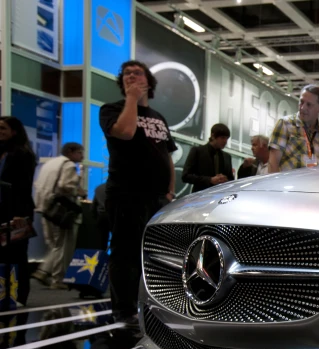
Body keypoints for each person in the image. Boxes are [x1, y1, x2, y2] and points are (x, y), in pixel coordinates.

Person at [99, 60, 177, 325]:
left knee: (154, 252)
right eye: (126, 74)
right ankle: (124, 309)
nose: (130, 76)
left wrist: (170, 190)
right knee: (125, 252)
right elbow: (126, 131)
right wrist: (131, 99)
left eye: (137, 73)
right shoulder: (112, 110)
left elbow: (166, 154)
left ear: (148, 81)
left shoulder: (158, 117)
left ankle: (150, 303)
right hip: (125, 193)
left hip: (156, 196)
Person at [32, 142, 87, 290]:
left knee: (54, 244)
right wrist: (79, 192)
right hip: (61, 211)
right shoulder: (68, 164)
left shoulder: (50, 164)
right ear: (71, 151)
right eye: (80, 152)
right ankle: (58, 278)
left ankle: (43, 271)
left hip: (46, 209)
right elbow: (65, 186)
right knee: (63, 245)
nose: (82, 156)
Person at [0, 116, 37, 307]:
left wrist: (20, 214)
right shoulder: (2, 153)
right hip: (2, 208)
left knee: (17, 253)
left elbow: (23, 187)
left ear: (14, 131)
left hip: (17, 209)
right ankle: (4, 292)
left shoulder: (23, 154)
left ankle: (19, 295)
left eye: (3, 128)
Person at [268, 85, 319, 173]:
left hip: (315, 185)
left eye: (309, 105)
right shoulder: (285, 124)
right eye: (301, 102)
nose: (303, 107)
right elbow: (273, 164)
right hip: (287, 184)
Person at [181, 123, 234, 192]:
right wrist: (209, 180)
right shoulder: (198, 151)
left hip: (220, 195)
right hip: (200, 196)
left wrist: (225, 180)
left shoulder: (227, 157)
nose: (225, 141)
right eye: (222, 138)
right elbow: (185, 176)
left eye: (227, 138)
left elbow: (231, 180)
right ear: (213, 136)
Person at [92, 182, 110, 251]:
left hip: (101, 218)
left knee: (102, 241)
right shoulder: (117, 188)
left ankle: (101, 258)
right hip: (113, 219)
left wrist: (95, 218)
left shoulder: (98, 188)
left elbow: (93, 206)